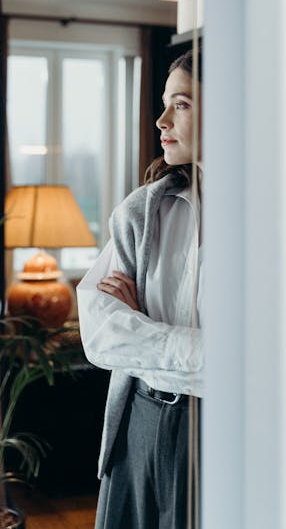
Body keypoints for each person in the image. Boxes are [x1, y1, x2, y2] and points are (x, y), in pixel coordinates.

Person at [77, 48, 203, 529]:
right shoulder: (143, 210)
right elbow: (101, 334)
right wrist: (201, 352)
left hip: (225, 434)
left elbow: (264, 363)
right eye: (166, 102)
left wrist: (144, 332)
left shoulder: (275, 219)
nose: (161, 119)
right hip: (139, 423)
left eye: (183, 104)